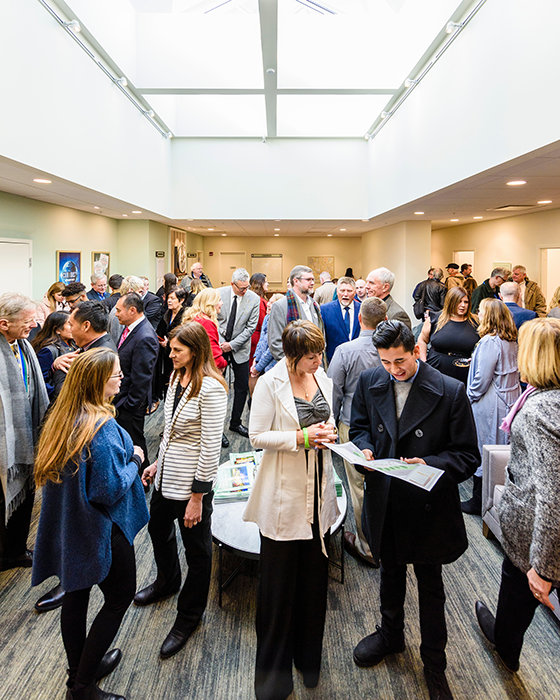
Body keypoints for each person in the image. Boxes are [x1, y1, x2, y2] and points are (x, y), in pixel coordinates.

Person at [349, 321, 479, 700]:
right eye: (386, 362)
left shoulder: (450, 391)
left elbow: (467, 456)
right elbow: (359, 428)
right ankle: (391, 635)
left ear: (417, 351)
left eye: (400, 361)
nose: (393, 370)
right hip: (386, 499)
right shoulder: (370, 381)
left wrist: (431, 464)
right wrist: (364, 449)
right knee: (389, 573)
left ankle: (434, 663)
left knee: (430, 586)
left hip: (428, 506)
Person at [32, 348, 149, 700]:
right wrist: (135, 460)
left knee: (76, 594)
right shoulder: (101, 428)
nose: (122, 378)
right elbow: (108, 489)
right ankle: (82, 687)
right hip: (103, 528)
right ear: (98, 382)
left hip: (74, 526)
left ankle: (81, 667)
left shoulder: (64, 416)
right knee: (119, 598)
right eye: (116, 374)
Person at [243, 320, 339, 700]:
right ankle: (273, 682)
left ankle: (308, 661)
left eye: (320, 355)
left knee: (314, 586)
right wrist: (301, 438)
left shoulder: (321, 377)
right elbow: (256, 436)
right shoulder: (270, 383)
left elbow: (328, 418)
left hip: (318, 493)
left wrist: (328, 434)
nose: (318, 362)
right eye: (311, 357)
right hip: (284, 496)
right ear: (292, 356)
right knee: (278, 593)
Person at [135, 323, 228, 659]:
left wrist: (197, 497)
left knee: (198, 552)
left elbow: (210, 448)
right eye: (170, 348)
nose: (170, 354)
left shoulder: (212, 388)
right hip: (166, 477)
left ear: (196, 350)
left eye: (177, 350)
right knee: (158, 529)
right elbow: (170, 429)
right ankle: (167, 581)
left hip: (192, 486)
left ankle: (189, 616)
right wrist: (157, 463)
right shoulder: (177, 376)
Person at [475, 318, 560, 673]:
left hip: (533, 542)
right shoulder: (545, 397)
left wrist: (543, 566)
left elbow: (552, 497)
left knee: (515, 598)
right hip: (535, 536)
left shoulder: (540, 412)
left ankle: (505, 648)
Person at [327, 296, 387, 568]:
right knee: (384, 483)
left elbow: (334, 392)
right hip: (387, 428)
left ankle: (367, 546)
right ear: (385, 320)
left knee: (359, 487)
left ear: (359, 319)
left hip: (352, 426)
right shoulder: (391, 351)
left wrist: (332, 422)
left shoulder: (344, 351)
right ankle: (387, 540)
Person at [0, 293, 49, 573]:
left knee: (26, 495)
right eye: (28, 321)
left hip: (25, 438)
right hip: (3, 444)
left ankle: (16, 550)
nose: (34, 325)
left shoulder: (24, 345)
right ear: (4, 324)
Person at [463, 298, 521, 514]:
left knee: (484, 447)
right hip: (510, 397)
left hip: (491, 401)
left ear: (489, 316)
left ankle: (479, 500)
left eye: (480, 311)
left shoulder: (489, 341)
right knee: (501, 448)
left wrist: (469, 396)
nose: (477, 314)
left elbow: (482, 379)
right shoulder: (511, 339)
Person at [114, 293, 159, 471]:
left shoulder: (144, 336)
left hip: (130, 405)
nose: (116, 314)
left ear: (132, 310)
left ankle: (142, 477)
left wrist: (129, 405)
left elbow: (142, 378)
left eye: (119, 310)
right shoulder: (132, 329)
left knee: (135, 443)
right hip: (124, 400)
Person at [217, 268, 260, 438]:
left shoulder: (254, 299)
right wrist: (222, 343)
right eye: (241, 288)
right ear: (232, 284)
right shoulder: (219, 294)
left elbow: (251, 327)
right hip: (219, 347)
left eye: (247, 287)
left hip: (240, 348)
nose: (244, 291)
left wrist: (232, 345)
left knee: (241, 387)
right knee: (217, 388)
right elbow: (213, 319)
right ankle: (217, 429)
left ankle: (235, 423)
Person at [51, 301, 117, 400]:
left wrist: (59, 370)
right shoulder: (93, 345)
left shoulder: (100, 355)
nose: (70, 330)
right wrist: (56, 363)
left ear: (86, 326)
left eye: (71, 325)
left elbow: (69, 393)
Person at [418, 286, 479, 385]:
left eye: (466, 302)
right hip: (436, 370)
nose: (463, 305)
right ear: (451, 302)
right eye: (459, 301)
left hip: (464, 373)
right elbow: (422, 340)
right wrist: (424, 363)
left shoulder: (475, 322)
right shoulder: (435, 319)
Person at [268, 265, 324, 362]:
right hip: (293, 365)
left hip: (316, 364)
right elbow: (275, 344)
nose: (312, 283)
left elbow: (321, 335)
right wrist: (294, 364)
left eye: (313, 279)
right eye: (308, 280)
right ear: (296, 281)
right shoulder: (280, 306)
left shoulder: (315, 305)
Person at [31, 310, 76, 398]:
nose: (73, 328)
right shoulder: (48, 350)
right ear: (57, 329)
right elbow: (41, 380)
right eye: (69, 324)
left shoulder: (74, 344)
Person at [182, 288, 227, 373]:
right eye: (219, 300)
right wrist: (223, 363)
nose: (222, 303)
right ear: (211, 303)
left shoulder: (194, 318)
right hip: (205, 370)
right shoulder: (206, 322)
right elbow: (213, 352)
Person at [155, 286, 189, 401]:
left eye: (172, 298)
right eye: (168, 298)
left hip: (179, 356)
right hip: (165, 356)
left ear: (181, 300)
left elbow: (185, 336)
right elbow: (159, 330)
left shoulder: (186, 316)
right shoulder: (167, 313)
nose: (169, 301)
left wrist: (169, 343)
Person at [249, 293, 283, 395]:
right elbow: (261, 341)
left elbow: (272, 349)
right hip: (262, 364)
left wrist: (258, 367)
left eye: (272, 303)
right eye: (269, 301)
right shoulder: (267, 318)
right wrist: (255, 359)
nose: (268, 304)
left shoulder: (280, 322)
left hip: (273, 366)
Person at [320, 276, 361, 363]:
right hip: (333, 360)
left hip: (357, 360)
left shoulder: (362, 309)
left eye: (349, 291)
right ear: (337, 292)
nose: (345, 294)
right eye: (342, 291)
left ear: (355, 292)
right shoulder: (325, 310)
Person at [249, 272, 269, 365]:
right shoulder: (259, 302)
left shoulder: (256, 299)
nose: (268, 284)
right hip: (257, 339)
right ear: (259, 284)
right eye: (266, 282)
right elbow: (263, 323)